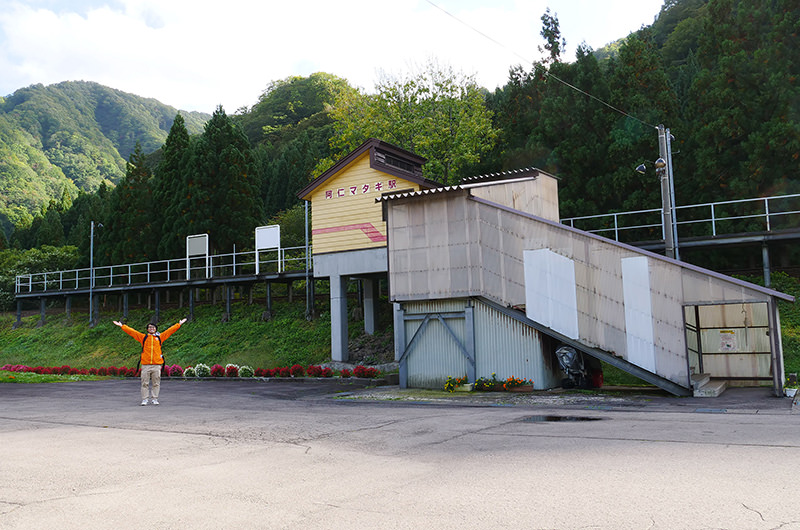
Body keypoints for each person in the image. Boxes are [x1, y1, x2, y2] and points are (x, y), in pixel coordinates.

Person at [113, 318, 187, 406]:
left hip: (156, 365)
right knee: (145, 383)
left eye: (153, 327)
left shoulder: (160, 337)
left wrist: (179, 324)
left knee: (156, 383)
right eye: (150, 327)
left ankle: (155, 398)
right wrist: (122, 326)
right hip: (146, 365)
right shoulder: (143, 337)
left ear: (156, 329)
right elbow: (132, 332)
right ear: (147, 329)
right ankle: (145, 399)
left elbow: (169, 331)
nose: (151, 328)